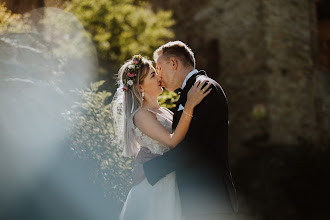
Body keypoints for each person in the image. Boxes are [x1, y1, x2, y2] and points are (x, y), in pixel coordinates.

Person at [132, 41, 238, 220]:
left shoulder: (204, 88)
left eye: (159, 67)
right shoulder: (189, 93)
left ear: (173, 63)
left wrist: (148, 169)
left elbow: (193, 148)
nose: (159, 75)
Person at [112, 55, 211, 220]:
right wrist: (190, 105)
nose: (159, 77)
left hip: (172, 181)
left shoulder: (165, 111)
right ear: (140, 87)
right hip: (156, 186)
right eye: (152, 75)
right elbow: (172, 140)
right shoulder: (141, 114)